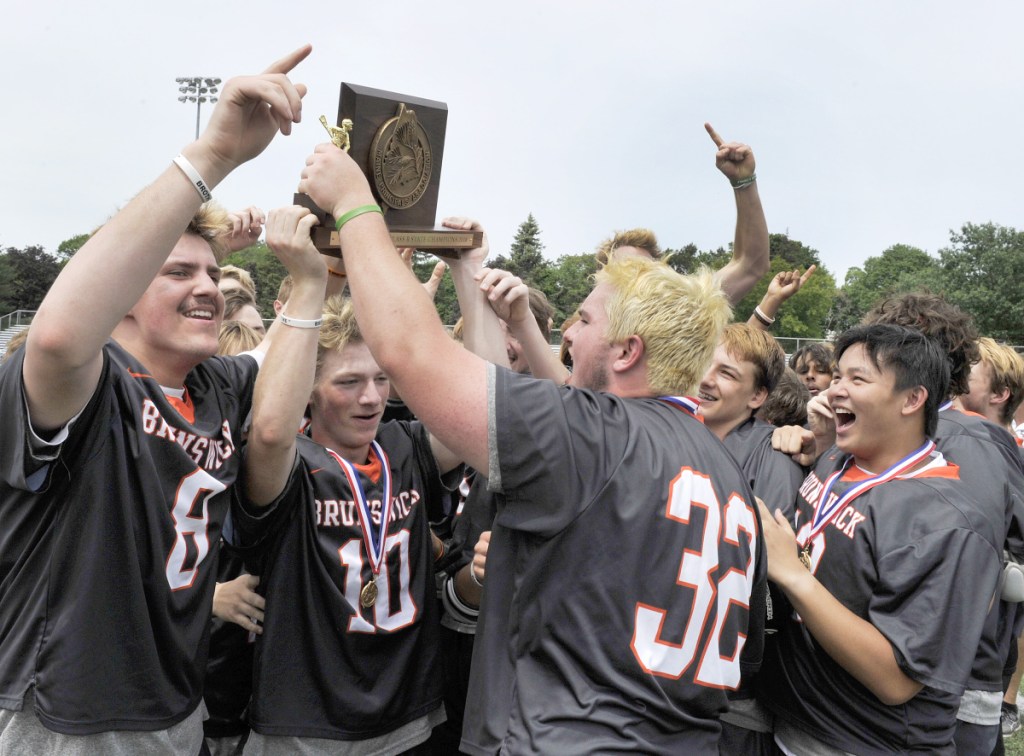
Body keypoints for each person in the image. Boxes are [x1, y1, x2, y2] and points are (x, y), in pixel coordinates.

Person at [299, 142, 766, 753]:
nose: (568, 332)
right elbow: (746, 654)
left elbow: (412, 351)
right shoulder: (727, 470)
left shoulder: (597, 432)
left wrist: (357, 205)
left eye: (585, 319)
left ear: (627, 352)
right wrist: (472, 272)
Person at [0, 45, 310, 753]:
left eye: (211, 270)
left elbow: (282, 355)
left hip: (175, 706)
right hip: (65, 717)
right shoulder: (91, 380)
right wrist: (214, 155)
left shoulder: (215, 385)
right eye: (176, 272)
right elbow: (54, 341)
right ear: (126, 292)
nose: (206, 286)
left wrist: (319, 274)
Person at [234, 206, 466, 754]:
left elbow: (478, 412)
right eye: (349, 381)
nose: (370, 397)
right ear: (310, 391)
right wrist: (312, 282)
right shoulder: (293, 466)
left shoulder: (402, 445)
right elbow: (267, 434)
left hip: (408, 712)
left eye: (381, 379)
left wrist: (465, 275)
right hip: (307, 722)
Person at [758, 324, 1004, 754]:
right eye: (838, 377)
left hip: (863, 742)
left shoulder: (947, 520)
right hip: (794, 720)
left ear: (912, 399)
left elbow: (897, 680)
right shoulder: (837, 456)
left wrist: (793, 575)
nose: (836, 390)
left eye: (858, 379)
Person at [695, 323, 804, 754]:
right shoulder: (668, 431)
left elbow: (759, 569)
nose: (706, 377)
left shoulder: (772, 455)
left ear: (758, 396)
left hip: (730, 700)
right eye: (705, 361)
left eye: (726, 372)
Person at [595, 122, 770, 306]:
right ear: (600, 279)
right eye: (626, 269)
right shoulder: (577, 331)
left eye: (645, 271)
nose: (635, 280)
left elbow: (751, 265)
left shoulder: (677, 310)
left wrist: (743, 182)